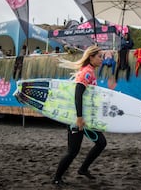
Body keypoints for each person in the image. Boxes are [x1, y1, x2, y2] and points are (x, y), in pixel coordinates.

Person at [53, 45, 107, 186]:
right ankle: (57, 178)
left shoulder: (90, 71)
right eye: (99, 56)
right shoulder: (87, 72)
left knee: (101, 143)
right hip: (78, 119)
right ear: (91, 57)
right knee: (72, 151)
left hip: (87, 118)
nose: (102, 59)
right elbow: (78, 95)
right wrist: (79, 118)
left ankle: (83, 169)